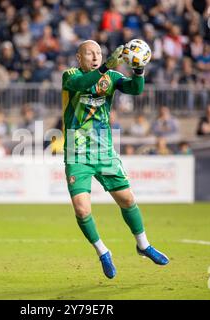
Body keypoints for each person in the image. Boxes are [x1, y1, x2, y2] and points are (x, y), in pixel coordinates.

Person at [62, 40, 169, 280]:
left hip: (104, 150)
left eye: (99, 52)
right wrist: (103, 69)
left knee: (128, 200)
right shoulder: (70, 75)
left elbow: (135, 89)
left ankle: (143, 245)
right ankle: (103, 251)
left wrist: (139, 69)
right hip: (77, 152)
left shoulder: (111, 76)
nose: (95, 56)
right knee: (82, 209)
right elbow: (81, 84)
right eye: (89, 53)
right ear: (79, 58)